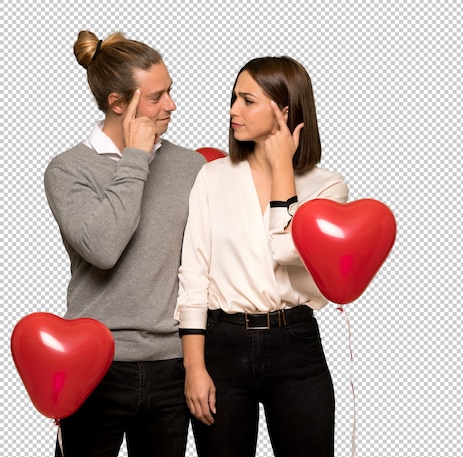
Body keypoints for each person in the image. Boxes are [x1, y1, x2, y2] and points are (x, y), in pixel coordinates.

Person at [174, 56, 349, 457]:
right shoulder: (212, 176)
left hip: (295, 346)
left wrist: (282, 167)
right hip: (221, 346)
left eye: (248, 100)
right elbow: (194, 276)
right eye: (234, 97)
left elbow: (287, 249)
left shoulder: (327, 187)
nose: (233, 110)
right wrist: (194, 368)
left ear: (283, 111)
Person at [44, 30, 206, 457]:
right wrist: (136, 158)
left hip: (170, 368)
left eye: (170, 91)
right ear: (119, 104)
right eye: (156, 97)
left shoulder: (190, 165)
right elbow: (103, 248)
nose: (171, 104)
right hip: (94, 367)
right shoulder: (68, 170)